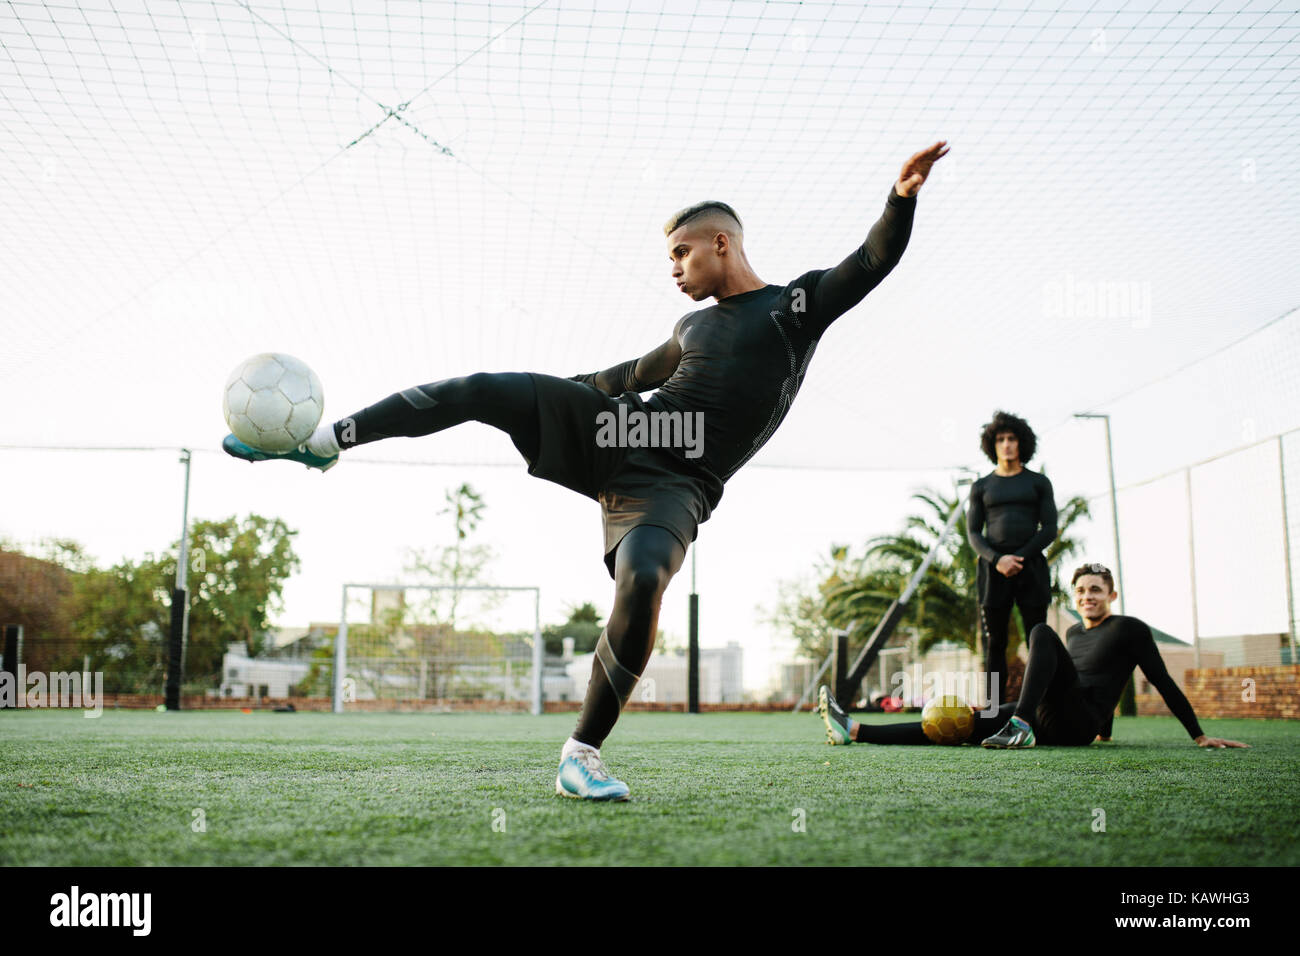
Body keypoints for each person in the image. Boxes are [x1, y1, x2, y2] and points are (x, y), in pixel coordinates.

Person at [223, 141, 951, 800]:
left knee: (642, 580)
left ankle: (581, 754)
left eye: (681, 253)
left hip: (676, 486)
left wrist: (901, 198)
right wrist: (552, 396)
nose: (673, 268)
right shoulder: (691, 327)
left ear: (721, 243)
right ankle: (329, 439)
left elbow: (871, 261)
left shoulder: (794, 307)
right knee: (485, 386)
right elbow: (624, 375)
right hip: (619, 430)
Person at [817, 562, 1248, 750]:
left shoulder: (1129, 629)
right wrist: (1109, 732)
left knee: (1041, 629)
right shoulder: (1077, 632)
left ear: (1111, 595)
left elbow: (1160, 681)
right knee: (958, 720)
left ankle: (1018, 726)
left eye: (1096, 590)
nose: (1087, 596)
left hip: (1072, 722)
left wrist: (1198, 734)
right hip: (1049, 714)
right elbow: (1090, 674)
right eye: (1081, 590)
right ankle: (853, 729)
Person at [967, 411, 1056, 707]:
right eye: (1001, 439)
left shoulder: (1038, 482)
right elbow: (973, 533)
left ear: (1022, 444)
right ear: (992, 445)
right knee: (995, 643)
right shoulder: (981, 487)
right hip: (994, 572)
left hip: (1031, 568)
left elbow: (1050, 528)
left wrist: (1018, 557)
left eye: (1012, 439)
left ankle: (1042, 708)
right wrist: (998, 559)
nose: (1006, 444)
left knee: (1037, 640)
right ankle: (992, 710)